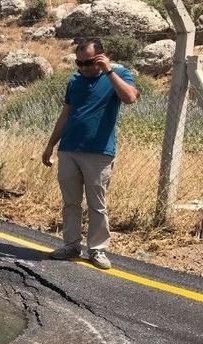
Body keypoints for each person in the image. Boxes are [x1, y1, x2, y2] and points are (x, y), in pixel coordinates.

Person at [41, 38, 139, 270]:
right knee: (71, 202)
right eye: (79, 63)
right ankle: (72, 245)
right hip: (69, 149)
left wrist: (109, 71)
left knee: (97, 205)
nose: (82, 68)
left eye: (88, 63)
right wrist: (50, 144)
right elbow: (65, 115)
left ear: (101, 58)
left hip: (99, 152)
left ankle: (97, 250)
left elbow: (130, 98)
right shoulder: (74, 81)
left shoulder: (119, 74)